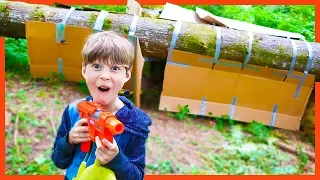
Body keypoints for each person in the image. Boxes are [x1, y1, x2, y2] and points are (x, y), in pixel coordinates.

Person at [51, 31, 152, 180]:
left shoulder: (135, 123)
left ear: (127, 76)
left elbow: (137, 176)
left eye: (115, 68)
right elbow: (58, 161)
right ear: (84, 70)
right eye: (97, 66)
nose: (105, 75)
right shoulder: (74, 110)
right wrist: (69, 140)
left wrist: (117, 160)